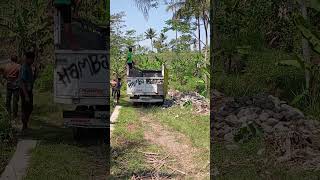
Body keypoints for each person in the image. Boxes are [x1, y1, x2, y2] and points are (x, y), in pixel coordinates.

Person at [19, 51, 36, 131]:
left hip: (28, 90)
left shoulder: (29, 67)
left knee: (30, 108)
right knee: (25, 108)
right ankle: (24, 125)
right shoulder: (24, 67)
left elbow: (30, 79)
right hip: (25, 91)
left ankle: (25, 125)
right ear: (29, 59)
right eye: (32, 59)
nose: (33, 61)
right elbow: (22, 82)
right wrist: (26, 95)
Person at [3, 55, 21, 119]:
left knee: (8, 100)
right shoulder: (18, 66)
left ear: (11, 59)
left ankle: (8, 114)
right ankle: (14, 115)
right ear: (16, 60)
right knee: (15, 101)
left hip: (9, 84)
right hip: (16, 85)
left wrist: (7, 78)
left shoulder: (7, 66)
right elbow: (20, 76)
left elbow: (4, 75)